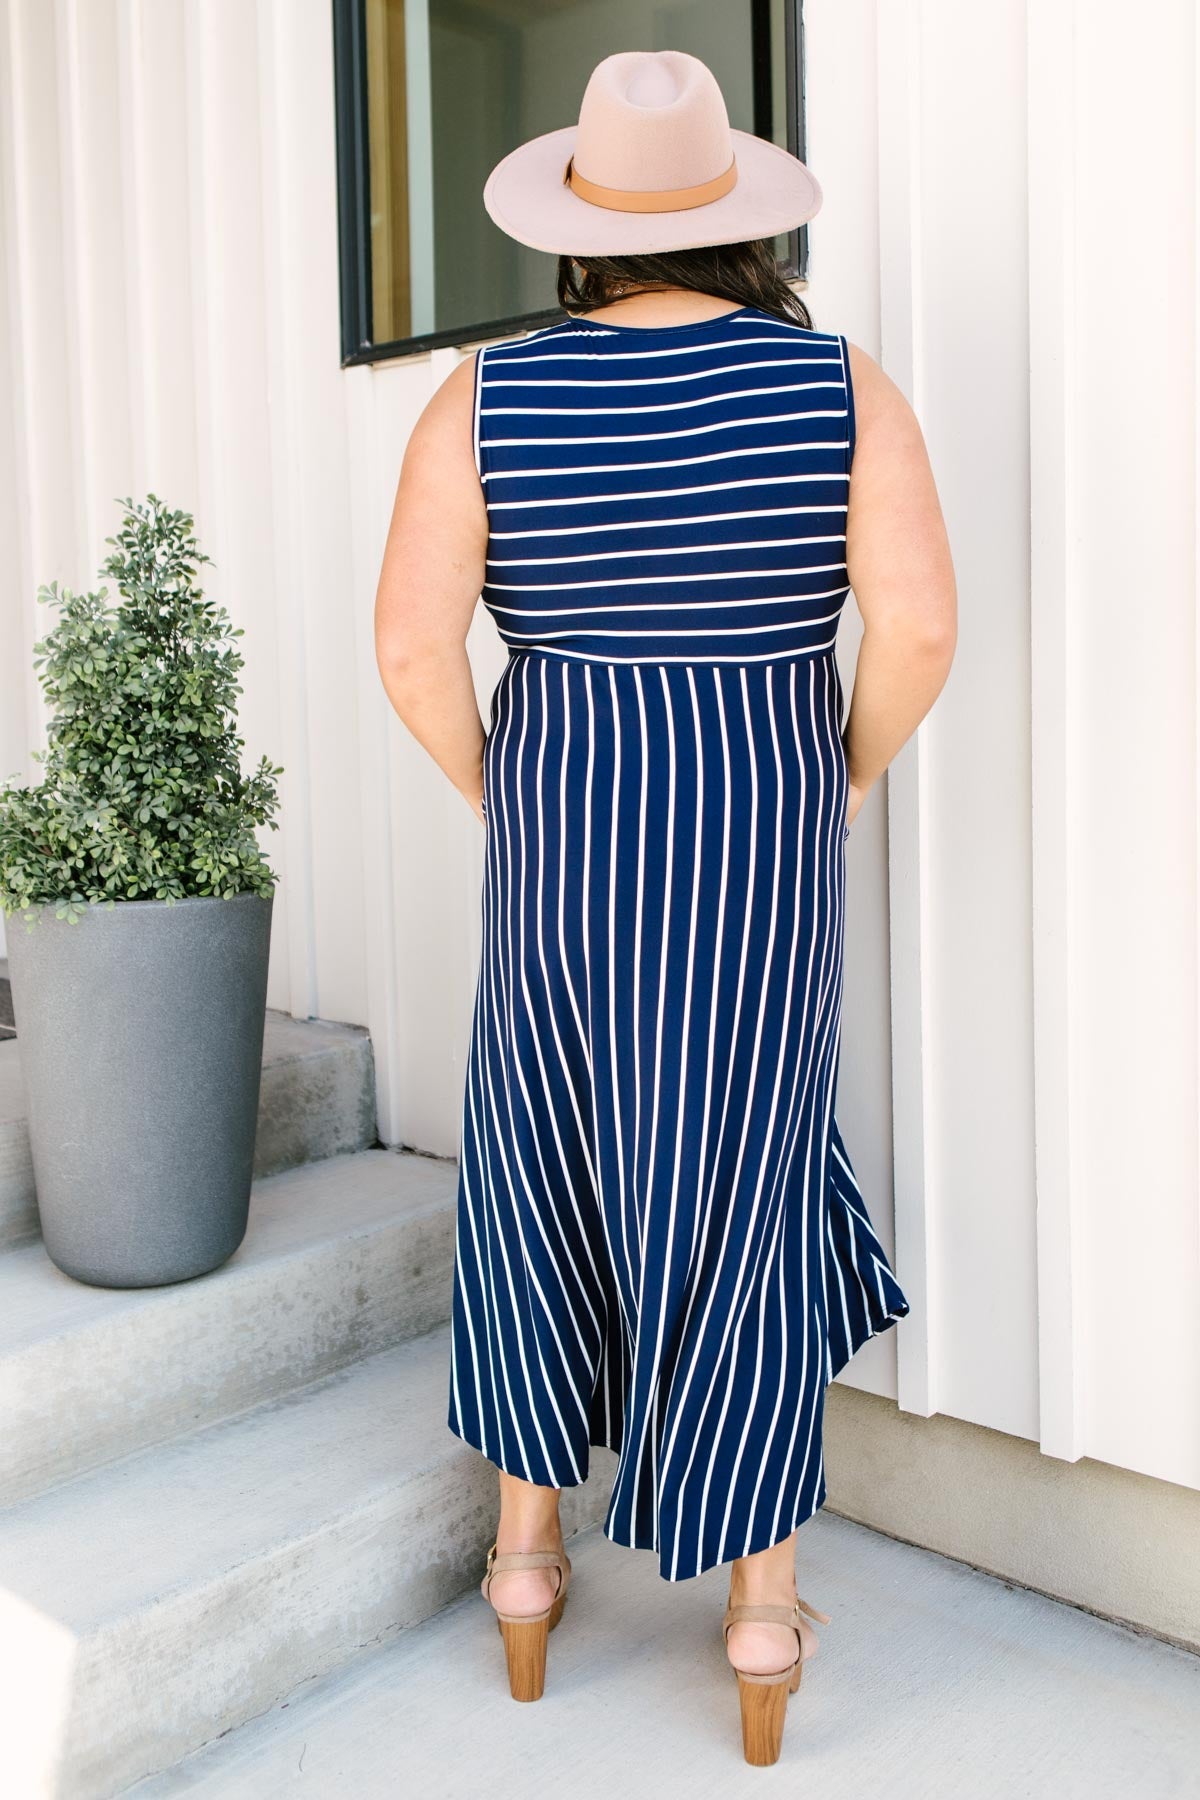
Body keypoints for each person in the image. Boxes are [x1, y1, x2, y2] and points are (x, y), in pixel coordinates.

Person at [375, 48, 956, 1767]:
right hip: (759, 817)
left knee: (542, 1145)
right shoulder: (839, 388)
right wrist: (834, 771)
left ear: (578, 233)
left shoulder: (480, 398)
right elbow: (914, 630)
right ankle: (761, 1611)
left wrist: (509, 789)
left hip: (562, 818)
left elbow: (416, 650)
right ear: (744, 225)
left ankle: (527, 1565)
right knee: (745, 1166)